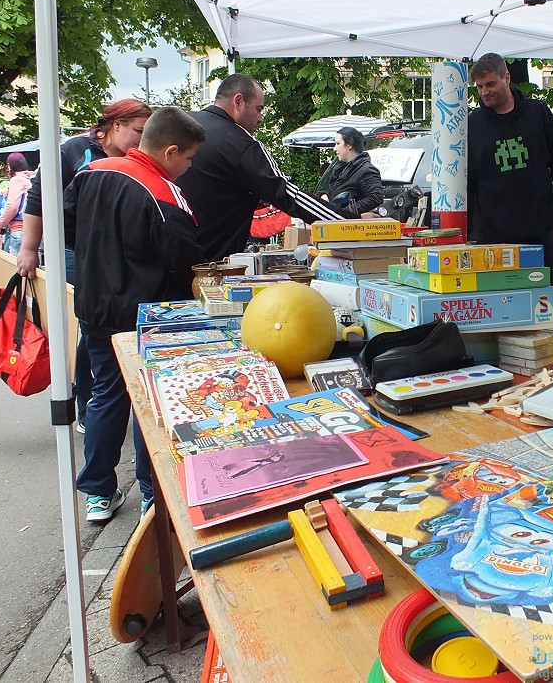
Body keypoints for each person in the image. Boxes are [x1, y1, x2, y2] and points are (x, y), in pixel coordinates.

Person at [63, 106, 205, 523]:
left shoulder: (91, 172)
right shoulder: (163, 190)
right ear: (171, 151)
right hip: (147, 312)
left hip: (94, 305)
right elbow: (184, 256)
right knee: (150, 401)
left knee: (107, 393)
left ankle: (98, 493)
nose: (190, 166)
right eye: (189, 158)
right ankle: (151, 492)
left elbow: (69, 228)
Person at [16, 98, 153, 433]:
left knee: (103, 327)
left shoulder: (135, 159)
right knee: (90, 325)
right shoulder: (75, 150)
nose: (141, 139)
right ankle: (87, 400)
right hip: (73, 250)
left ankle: (105, 399)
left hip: (118, 258)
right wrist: (28, 248)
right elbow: (39, 197)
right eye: (138, 130)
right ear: (115, 125)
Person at [178, 73, 345, 261]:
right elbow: (288, 195)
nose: (261, 118)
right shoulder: (241, 143)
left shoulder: (182, 125)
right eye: (258, 109)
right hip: (212, 264)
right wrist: (346, 222)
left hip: (171, 261)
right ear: (238, 101)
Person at [467, 53, 553, 297]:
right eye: (479, 86)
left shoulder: (537, 114)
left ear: (506, 78)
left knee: (549, 300)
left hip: (538, 230)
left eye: (490, 84)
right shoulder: (473, 126)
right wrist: (467, 232)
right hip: (492, 236)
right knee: (499, 303)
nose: (484, 92)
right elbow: (469, 183)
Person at [321, 127, 384, 218]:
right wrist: (324, 195)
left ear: (349, 145)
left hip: (353, 227)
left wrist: (346, 212)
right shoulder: (339, 168)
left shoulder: (366, 170)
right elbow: (332, 190)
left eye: (338, 144)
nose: (334, 148)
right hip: (336, 223)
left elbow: (375, 198)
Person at [0, 152, 34, 256]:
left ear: (10, 166)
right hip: (33, 232)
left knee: (13, 268)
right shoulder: (32, 179)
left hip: (18, 230)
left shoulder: (17, 180)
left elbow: (12, 206)